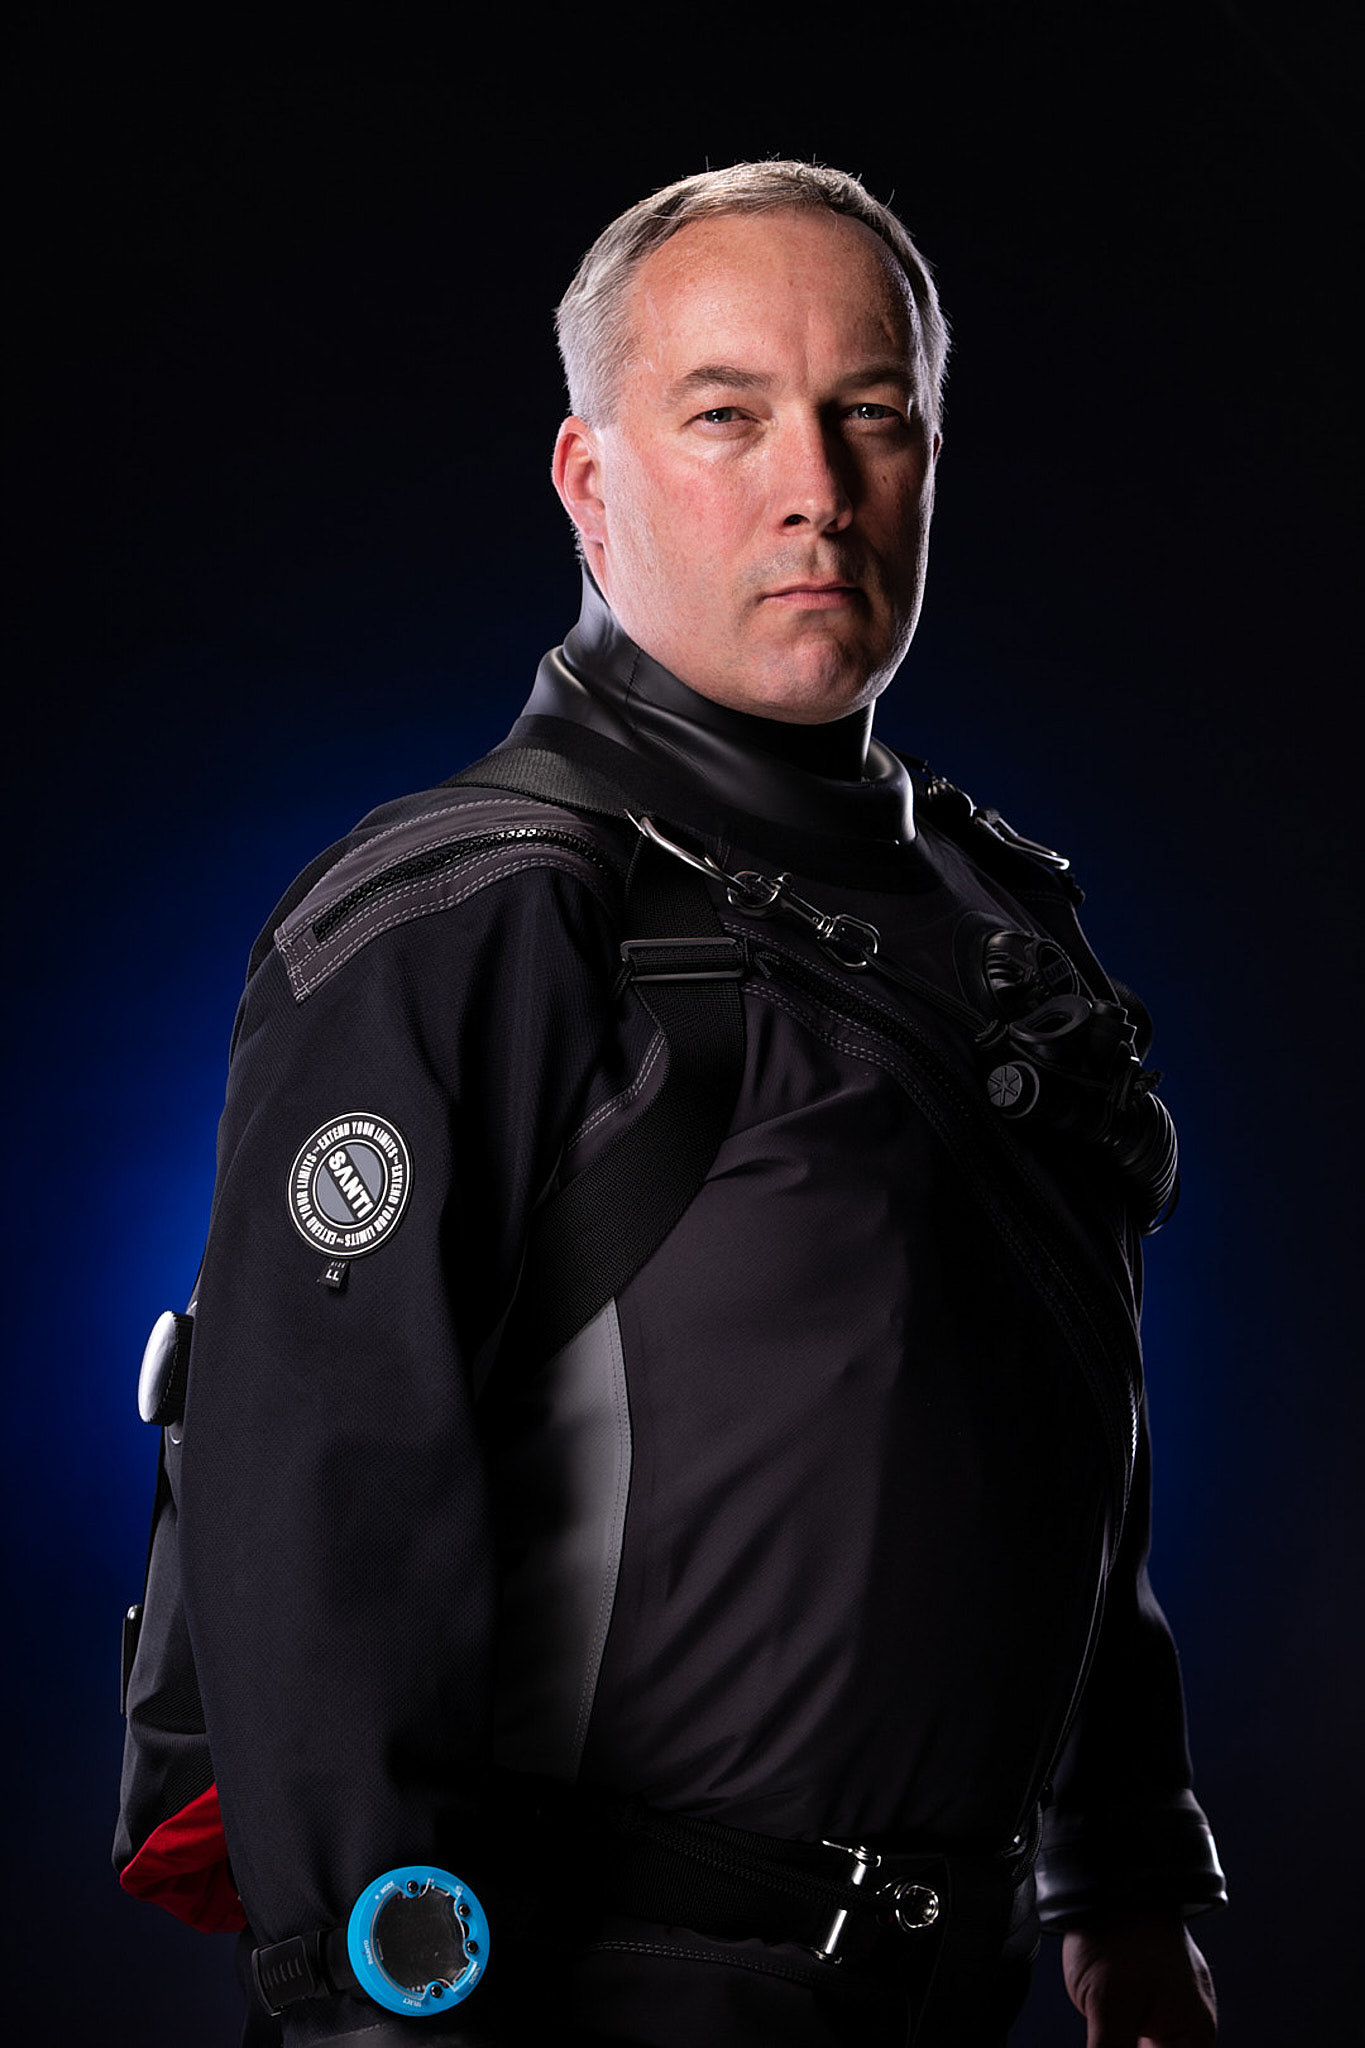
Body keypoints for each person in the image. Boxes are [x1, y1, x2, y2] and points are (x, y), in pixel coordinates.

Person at [116, 163, 1225, 2047]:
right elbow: (314, 1500)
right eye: (726, 415)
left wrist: (1118, 1879)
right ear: (588, 480)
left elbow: (1062, 1428)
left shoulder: (999, 920)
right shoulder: (469, 915)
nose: (816, 487)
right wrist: (375, 2016)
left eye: (869, 413)